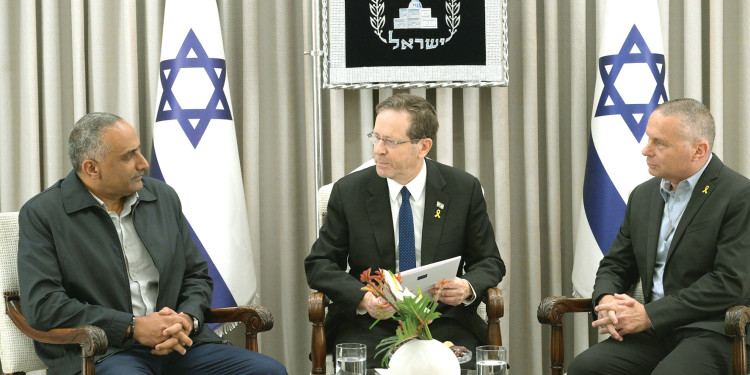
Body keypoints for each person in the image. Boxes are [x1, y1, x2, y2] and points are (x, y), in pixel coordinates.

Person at [18, 112, 287, 375]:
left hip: (180, 344)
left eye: (138, 150)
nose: (143, 163)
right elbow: (44, 305)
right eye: (128, 156)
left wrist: (186, 319)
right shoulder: (43, 214)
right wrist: (132, 326)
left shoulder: (162, 197)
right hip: (103, 351)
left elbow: (196, 275)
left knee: (268, 371)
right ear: (92, 168)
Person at [304, 94, 505, 368]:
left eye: (390, 141)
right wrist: (363, 298)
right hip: (371, 322)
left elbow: (489, 261)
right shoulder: (348, 192)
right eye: (375, 137)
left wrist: (467, 287)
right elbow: (319, 264)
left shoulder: (463, 189)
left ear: (423, 146)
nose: (378, 150)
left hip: (443, 319)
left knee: (460, 366)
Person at [568, 99, 750, 375]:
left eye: (660, 143)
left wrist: (650, 314)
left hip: (712, 329)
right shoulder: (643, 195)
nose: (645, 150)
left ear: (698, 150)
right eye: (648, 139)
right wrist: (605, 299)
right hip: (654, 331)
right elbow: (616, 264)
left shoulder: (738, 196)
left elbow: (729, 282)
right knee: (585, 368)